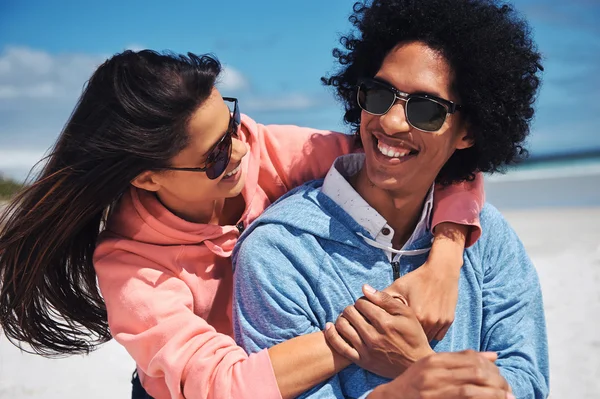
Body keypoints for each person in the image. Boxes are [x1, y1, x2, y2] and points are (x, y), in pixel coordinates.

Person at [0, 50, 485, 399]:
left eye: (230, 124)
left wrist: (444, 259)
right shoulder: (132, 267)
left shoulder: (261, 147)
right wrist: (362, 339)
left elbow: (417, 161)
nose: (238, 151)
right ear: (146, 176)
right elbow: (223, 386)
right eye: (213, 156)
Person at [232, 0, 549, 398]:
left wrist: (416, 363)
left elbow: (528, 381)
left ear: (468, 132)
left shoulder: (488, 237)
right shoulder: (279, 251)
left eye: (427, 109)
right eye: (380, 94)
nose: (391, 121)